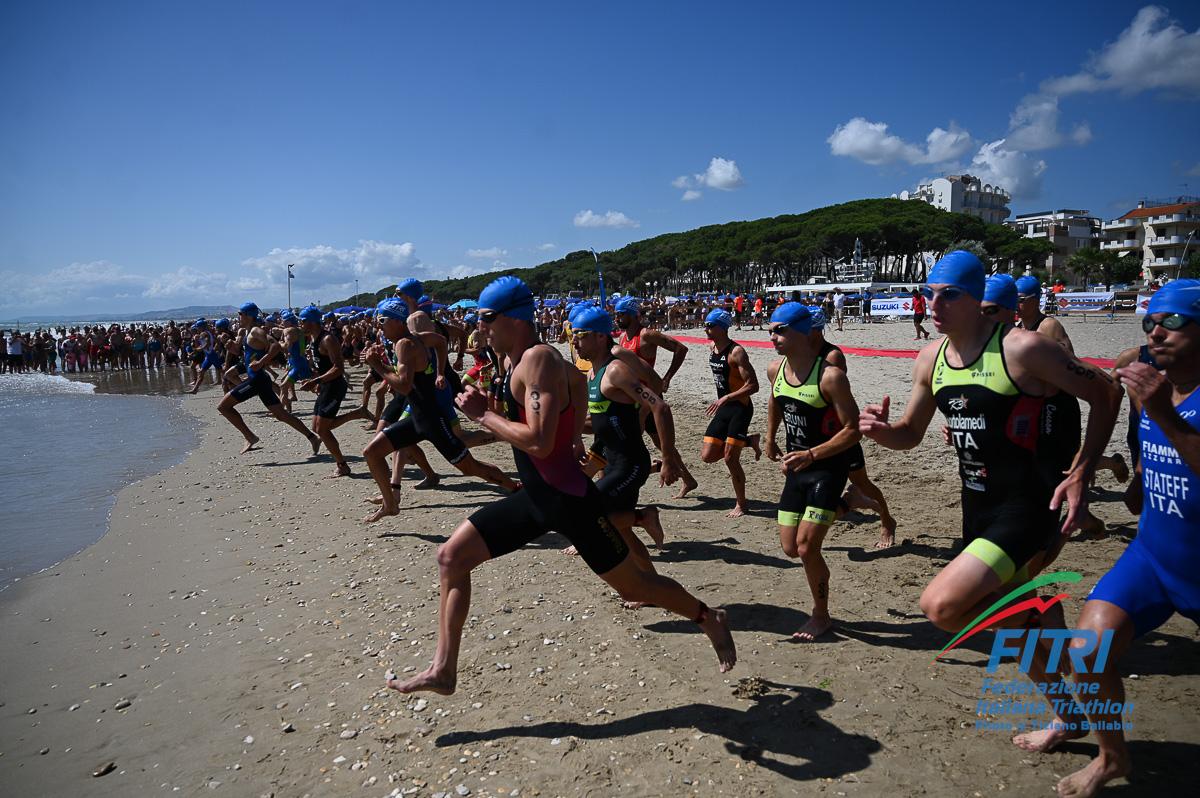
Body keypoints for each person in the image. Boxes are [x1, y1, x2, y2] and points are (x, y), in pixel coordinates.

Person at [384, 276, 736, 697]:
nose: (480, 328)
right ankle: (443, 670)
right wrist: (571, 432)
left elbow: (537, 440)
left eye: (486, 318)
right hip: (537, 497)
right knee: (451, 558)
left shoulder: (538, 360)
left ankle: (707, 617)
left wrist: (485, 417)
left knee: (635, 586)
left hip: (569, 501)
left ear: (513, 318)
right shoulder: (522, 361)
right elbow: (576, 382)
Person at [858, 251, 1121, 721]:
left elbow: (1106, 392)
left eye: (948, 295)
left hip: (1027, 506)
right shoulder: (930, 358)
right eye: (928, 294)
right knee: (1004, 624)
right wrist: (882, 433)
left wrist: (1082, 469)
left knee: (943, 607)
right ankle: (1067, 715)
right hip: (976, 505)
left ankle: (1041, 613)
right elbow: (910, 434)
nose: (934, 306)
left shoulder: (1023, 348)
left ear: (976, 298)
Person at [1047, 279, 1200, 798]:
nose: (1157, 332)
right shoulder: (1147, 377)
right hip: (1156, 555)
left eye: (1173, 322)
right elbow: (1110, 399)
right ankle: (1112, 757)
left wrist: (1164, 415)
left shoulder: (1163, 395)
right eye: (1149, 322)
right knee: (1089, 651)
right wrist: (1090, 469)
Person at [361, 299, 516, 523]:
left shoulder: (405, 344)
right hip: (416, 417)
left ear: (396, 321)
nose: (378, 325)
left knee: (470, 468)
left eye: (382, 321)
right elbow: (442, 341)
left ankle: (515, 486)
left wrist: (376, 364)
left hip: (433, 420)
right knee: (371, 453)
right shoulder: (418, 338)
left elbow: (404, 386)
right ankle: (390, 504)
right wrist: (440, 371)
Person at [765, 302, 861, 640]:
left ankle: (821, 616)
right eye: (771, 329)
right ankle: (849, 503)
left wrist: (812, 453)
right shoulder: (775, 370)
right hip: (797, 468)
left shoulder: (830, 375)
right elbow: (776, 401)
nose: (772, 335)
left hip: (827, 468)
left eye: (781, 329)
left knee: (807, 549)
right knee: (790, 547)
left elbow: (853, 429)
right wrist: (771, 437)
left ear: (805, 332)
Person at [571, 304, 687, 566]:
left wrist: (667, 459)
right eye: (573, 334)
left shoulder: (616, 370)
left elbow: (660, 404)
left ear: (600, 336)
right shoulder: (592, 372)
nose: (574, 341)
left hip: (631, 463)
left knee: (589, 513)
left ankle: (643, 517)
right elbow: (601, 421)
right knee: (619, 529)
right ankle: (648, 582)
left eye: (580, 334)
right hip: (612, 461)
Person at [808, 309, 898, 548]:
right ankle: (852, 501)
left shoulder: (832, 356)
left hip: (839, 434)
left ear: (815, 330)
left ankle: (886, 520)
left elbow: (825, 396)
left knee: (864, 483)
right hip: (813, 435)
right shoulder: (799, 355)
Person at [614, 297, 700, 497]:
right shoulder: (623, 337)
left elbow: (681, 349)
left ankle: (634, 478)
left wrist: (667, 377)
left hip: (649, 397)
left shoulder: (647, 335)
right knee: (660, 442)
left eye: (621, 314)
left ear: (634, 314)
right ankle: (688, 479)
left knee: (639, 441)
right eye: (616, 314)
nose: (617, 317)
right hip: (632, 397)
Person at [216, 303, 323, 455]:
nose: (238, 317)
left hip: (257, 381)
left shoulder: (255, 331)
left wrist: (261, 362)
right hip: (260, 380)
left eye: (240, 314)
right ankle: (313, 438)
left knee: (223, 407)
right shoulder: (248, 332)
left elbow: (275, 346)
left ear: (248, 315)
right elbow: (243, 352)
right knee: (281, 415)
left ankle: (250, 436)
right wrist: (230, 346)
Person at [297, 306, 371, 477]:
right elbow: (323, 366)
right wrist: (314, 380)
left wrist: (316, 380)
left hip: (335, 386)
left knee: (322, 429)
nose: (300, 324)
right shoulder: (313, 339)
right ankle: (357, 413)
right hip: (325, 386)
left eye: (303, 320)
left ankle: (342, 465)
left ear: (312, 322)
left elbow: (338, 368)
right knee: (317, 427)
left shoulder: (327, 339)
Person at [702, 309, 761, 517]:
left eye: (710, 325)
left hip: (740, 408)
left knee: (729, 458)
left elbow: (753, 385)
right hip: (723, 407)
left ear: (723, 327)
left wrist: (727, 397)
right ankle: (750, 440)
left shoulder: (736, 352)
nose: (706, 328)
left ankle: (742, 504)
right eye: (706, 324)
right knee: (707, 456)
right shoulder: (712, 347)